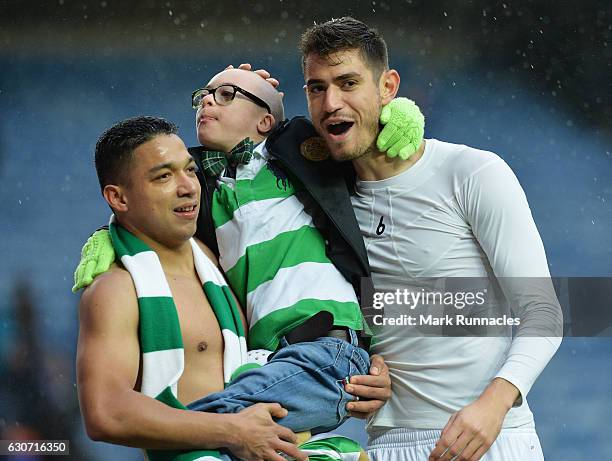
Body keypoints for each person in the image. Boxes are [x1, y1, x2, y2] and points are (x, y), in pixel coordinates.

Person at [273, 17, 563, 461]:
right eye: (316, 88)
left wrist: (495, 403)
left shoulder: (472, 173)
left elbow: (543, 312)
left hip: (491, 437)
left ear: (388, 87)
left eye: (348, 82)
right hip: (388, 445)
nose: (331, 102)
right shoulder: (323, 205)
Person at [76, 116, 307, 461]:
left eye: (189, 169)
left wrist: (365, 370)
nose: (188, 187)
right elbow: (105, 412)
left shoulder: (219, 255)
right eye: (164, 176)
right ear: (118, 198)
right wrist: (233, 430)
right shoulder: (116, 290)